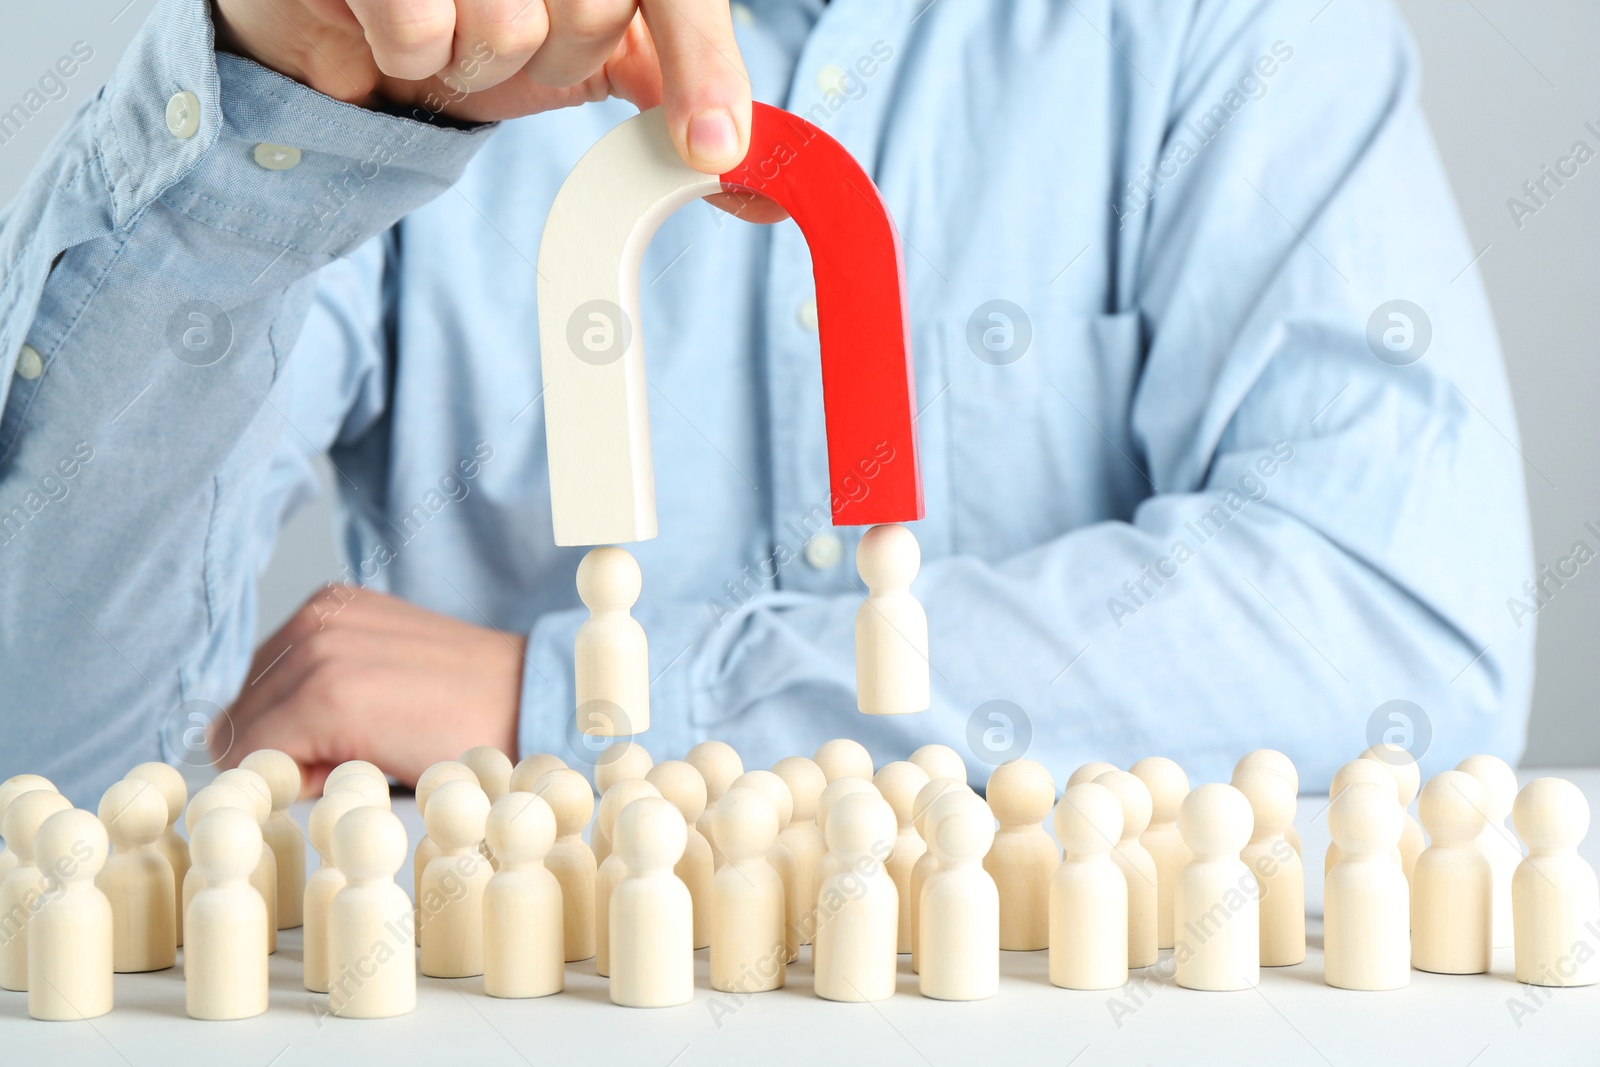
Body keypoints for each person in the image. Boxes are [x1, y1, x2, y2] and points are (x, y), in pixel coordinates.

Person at [0, 0, 1533, 804]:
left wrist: (582, 707)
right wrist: (271, 104)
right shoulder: (412, 34)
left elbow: (1399, 632)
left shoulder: (1230, 28)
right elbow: (45, 769)